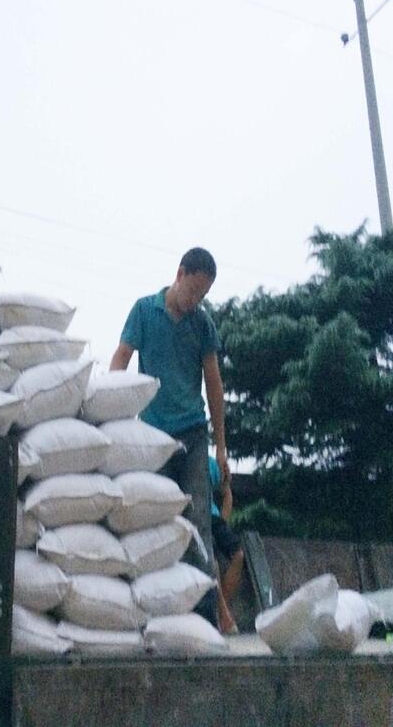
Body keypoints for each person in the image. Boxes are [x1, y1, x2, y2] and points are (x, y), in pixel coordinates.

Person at [110, 247, 230, 629]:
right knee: (156, 522)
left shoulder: (202, 325)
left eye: (203, 295)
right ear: (179, 274)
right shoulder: (144, 311)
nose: (195, 301)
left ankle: (205, 616)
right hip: (152, 436)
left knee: (198, 522)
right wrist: (112, 414)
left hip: (193, 434)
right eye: (192, 290)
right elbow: (121, 359)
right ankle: (155, 612)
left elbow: (214, 384)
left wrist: (222, 446)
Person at [209, 454, 244, 634]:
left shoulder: (211, 464)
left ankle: (222, 611)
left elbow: (225, 492)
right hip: (194, 516)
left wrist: (226, 483)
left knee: (238, 555)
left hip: (214, 518)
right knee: (211, 563)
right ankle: (223, 616)